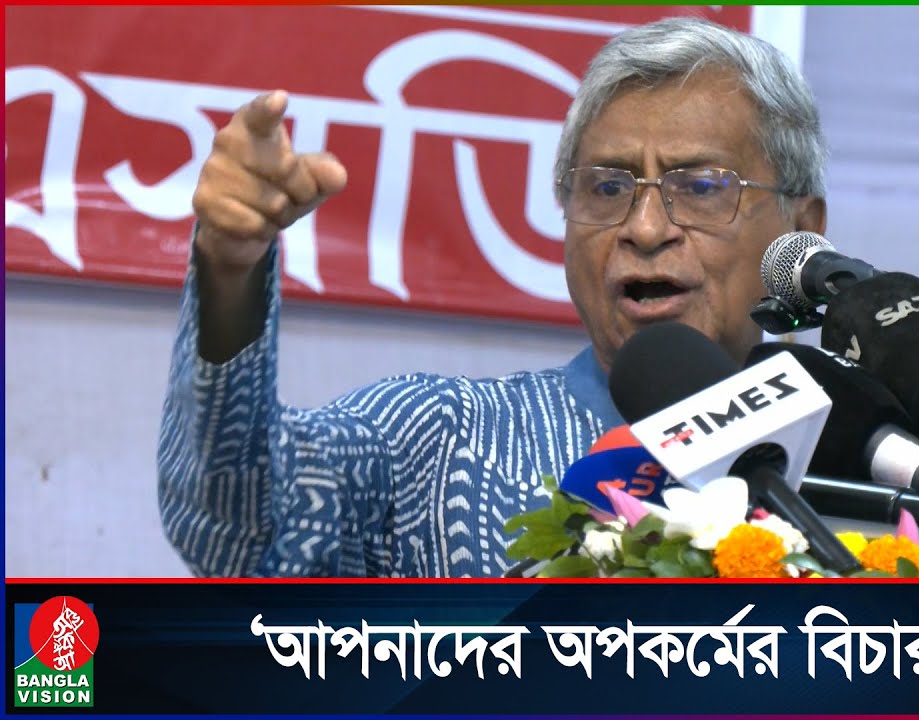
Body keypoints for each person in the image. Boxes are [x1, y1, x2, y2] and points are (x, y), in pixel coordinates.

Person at [158, 16, 828, 577]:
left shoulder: (868, 456)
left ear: (801, 231)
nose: (645, 229)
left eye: (701, 187)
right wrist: (230, 266)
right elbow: (240, 529)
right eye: (607, 187)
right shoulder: (444, 440)